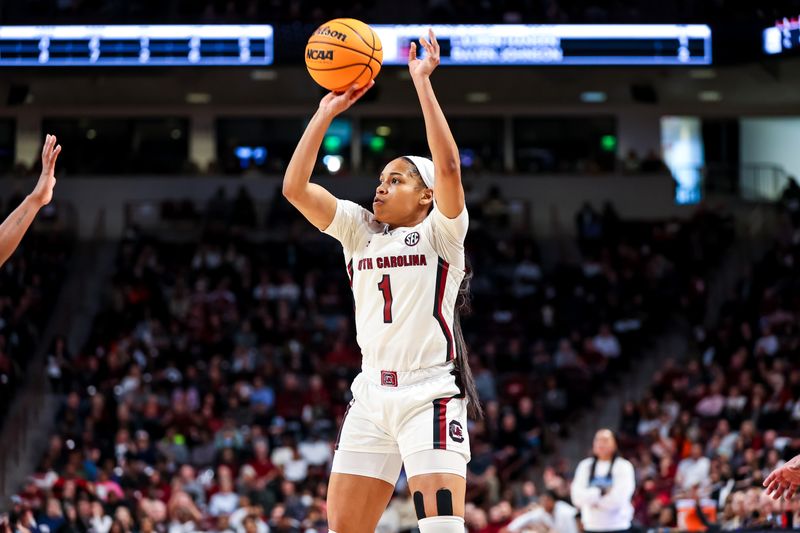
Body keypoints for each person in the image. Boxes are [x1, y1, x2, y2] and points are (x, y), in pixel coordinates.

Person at [282, 29, 480, 533]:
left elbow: (451, 166)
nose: (382, 185)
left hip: (429, 395)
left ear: (426, 197)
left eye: (398, 179)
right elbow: (294, 187)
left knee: (441, 529)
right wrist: (325, 112)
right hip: (370, 395)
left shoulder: (442, 235)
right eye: (381, 178)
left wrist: (421, 83)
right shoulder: (358, 230)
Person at [0, 134, 61, 267]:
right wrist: (35, 200)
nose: (18, 182)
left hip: (27, 244)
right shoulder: (11, 201)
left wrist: (36, 199)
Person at [570, 429, 635, 533]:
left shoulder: (623, 466)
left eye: (605, 440)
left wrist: (591, 500)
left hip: (618, 526)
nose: (600, 443)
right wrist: (600, 492)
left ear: (614, 444)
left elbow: (618, 500)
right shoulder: (585, 466)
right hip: (591, 527)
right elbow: (576, 498)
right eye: (597, 440)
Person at [501, 490, 579, 533]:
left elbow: (577, 516)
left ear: (552, 500)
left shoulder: (562, 508)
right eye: (542, 501)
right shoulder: (543, 512)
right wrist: (510, 528)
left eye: (546, 501)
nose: (544, 503)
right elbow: (528, 517)